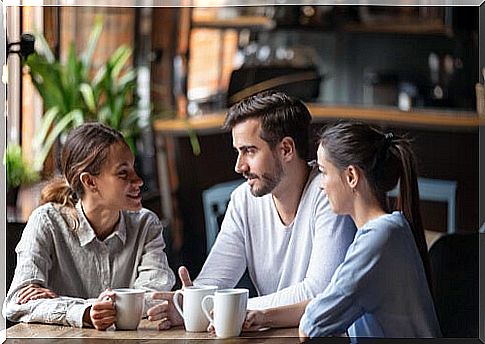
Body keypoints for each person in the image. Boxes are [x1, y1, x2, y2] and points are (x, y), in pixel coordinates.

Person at [147, 90, 356, 329]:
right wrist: (189, 303)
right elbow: (216, 280)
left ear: (286, 149)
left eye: (249, 150)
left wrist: (235, 308)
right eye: (238, 152)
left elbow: (320, 292)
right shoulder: (243, 200)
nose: (239, 166)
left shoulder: (328, 193)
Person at [242, 121, 441, 338]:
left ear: (351, 177)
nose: (321, 184)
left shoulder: (377, 240)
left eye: (324, 172)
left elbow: (312, 326)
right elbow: (327, 301)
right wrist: (263, 316)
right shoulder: (390, 230)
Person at [2, 122, 175, 330]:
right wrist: (84, 312)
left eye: (134, 168)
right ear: (90, 182)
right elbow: (16, 303)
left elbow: (156, 295)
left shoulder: (146, 225)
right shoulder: (46, 222)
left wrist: (68, 306)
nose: (138, 181)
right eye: (123, 173)